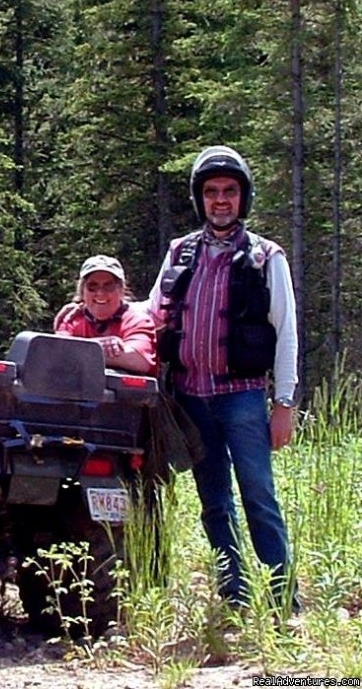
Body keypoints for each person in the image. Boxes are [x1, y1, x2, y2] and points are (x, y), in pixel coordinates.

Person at [147, 146, 299, 610]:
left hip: (244, 398)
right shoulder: (180, 253)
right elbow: (152, 314)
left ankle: (281, 601)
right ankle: (233, 595)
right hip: (191, 398)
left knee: (258, 497)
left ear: (243, 197)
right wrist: (98, 316)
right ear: (200, 199)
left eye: (229, 191)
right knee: (214, 502)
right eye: (211, 192)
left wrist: (285, 405)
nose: (220, 200)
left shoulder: (265, 257)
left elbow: (287, 332)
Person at [53, 254, 157, 374]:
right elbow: (59, 353)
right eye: (92, 286)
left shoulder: (138, 321)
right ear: (82, 290)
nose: (100, 293)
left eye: (109, 286)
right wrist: (99, 346)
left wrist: (81, 351)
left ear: (121, 289)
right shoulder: (72, 318)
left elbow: (139, 360)